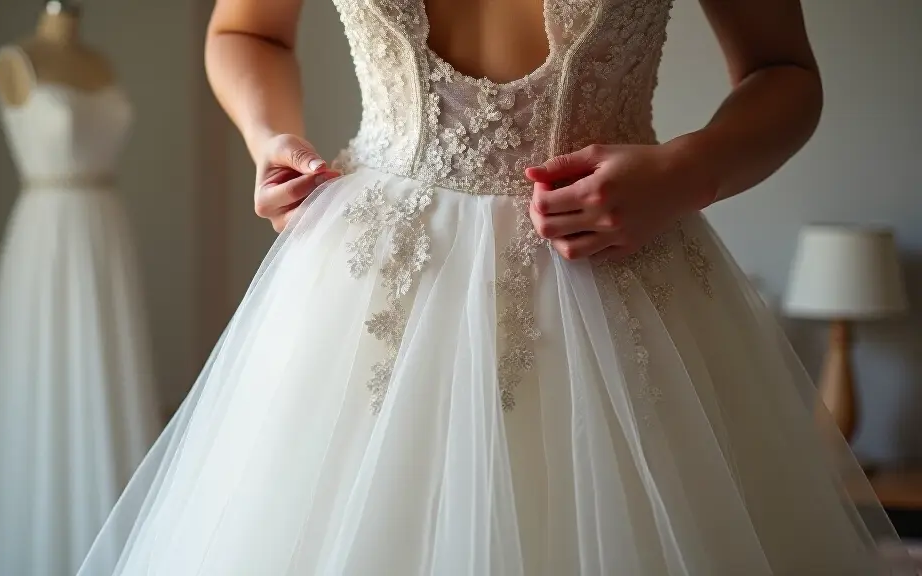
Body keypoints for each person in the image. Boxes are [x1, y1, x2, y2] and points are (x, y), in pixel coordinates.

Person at [77, 0, 912, 574]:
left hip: (621, 271)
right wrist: (267, 138)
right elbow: (247, 28)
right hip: (369, 284)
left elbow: (783, 72)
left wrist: (687, 172)